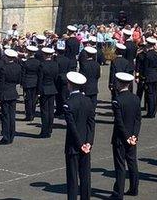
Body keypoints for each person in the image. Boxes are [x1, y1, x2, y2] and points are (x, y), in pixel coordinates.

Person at [63, 71, 95, 200]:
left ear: (69, 85)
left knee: (72, 178)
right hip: (86, 144)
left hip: (73, 145)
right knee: (85, 176)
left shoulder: (68, 104)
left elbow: (72, 128)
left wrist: (80, 144)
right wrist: (88, 142)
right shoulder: (88, 101)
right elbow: (91, 124)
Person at [112, 72, 141, 199]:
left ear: (119, 83)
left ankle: (119, 193)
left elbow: (119, 122)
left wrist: (126, 137)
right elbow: (138, 119)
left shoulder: (117, 100)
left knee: (120, 166)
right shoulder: (135, 99)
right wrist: (134, 135)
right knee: (132, 163)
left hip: (120, 138)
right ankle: (134, 188)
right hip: (132, 137)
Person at [0, 49, 22, 144]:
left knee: (5, 116)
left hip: (5, 93)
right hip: (13, 92)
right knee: (12, 115)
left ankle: (6, 136)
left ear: (6, 57)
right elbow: (18, 80)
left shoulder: (4, 68)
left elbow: (1, 84)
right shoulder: (18, 67)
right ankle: (11, 135)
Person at [38, 47, 60, 138]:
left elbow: (40, 79)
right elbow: (56, 77)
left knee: (44, 111)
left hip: (44, 89)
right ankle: (50, 129)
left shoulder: (42, 65)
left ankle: (44, 130)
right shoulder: (55, 64)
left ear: (44, 55)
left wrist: (38, 91)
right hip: (52, 88)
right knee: (51, 111)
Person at [21, 45, 42, 121]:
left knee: (27, 100)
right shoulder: (38, 62)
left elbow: (23, 74)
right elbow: (40, 74)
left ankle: (28, 115)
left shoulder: (25, 62)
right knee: (34, 99)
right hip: (35, 82)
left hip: (27, 82)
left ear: (29, 53)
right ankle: (32, 114)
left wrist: (22, 83)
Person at [143, 38, 157, 117]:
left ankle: (150, 112)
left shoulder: (147, 55)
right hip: (155, 75)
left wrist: (143, 76)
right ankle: (154, 111)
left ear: (148, 45)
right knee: (154, 94)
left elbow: (145, 67)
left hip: (149, 76)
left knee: (150, 94)